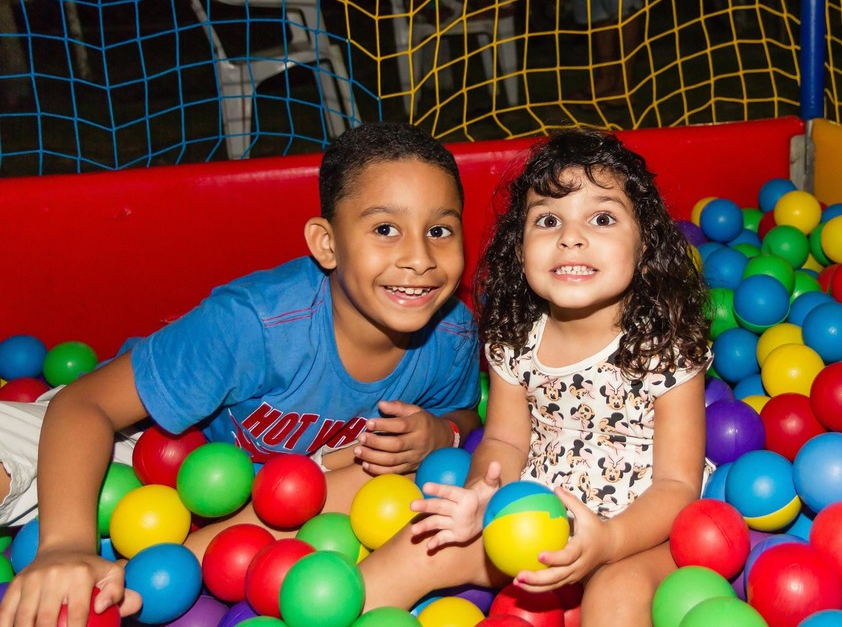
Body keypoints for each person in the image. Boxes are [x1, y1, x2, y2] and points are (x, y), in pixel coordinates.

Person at [0, 121, 483, 627]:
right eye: (385, 229)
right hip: (141, 437)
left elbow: (466, 415)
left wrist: (443, 432)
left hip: (286, 489)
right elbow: (86, 405)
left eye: (439, 230)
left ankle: (135, 575)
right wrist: (66, 546)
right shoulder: (255, 324)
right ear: (326, 244)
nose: (419, 259)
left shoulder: (451, 335)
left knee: (392, 475)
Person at [356, 128, 711, 626]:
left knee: (616, 595)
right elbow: (502, 440)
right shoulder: (515, 340)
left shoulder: (665, 350)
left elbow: (676, 485)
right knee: (421, 545)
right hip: (533, 517)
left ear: (646, 243)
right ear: (519, 250)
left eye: (602, 218)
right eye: (547, 220)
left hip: (640, 531)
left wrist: (607, 541)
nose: (570, 236)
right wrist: (483, 493)